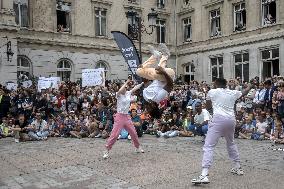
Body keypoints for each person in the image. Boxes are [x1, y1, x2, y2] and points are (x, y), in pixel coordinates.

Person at [192, 78, 254, 184]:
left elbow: (207, 106)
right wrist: (250, 85)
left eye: (214, 83)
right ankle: (238, 167)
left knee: (209, 146)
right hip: (231, 120)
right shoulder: (232, 92)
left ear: (216, 84)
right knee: (231, 143)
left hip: (218, 119)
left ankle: (204, 174)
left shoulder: (212, 91)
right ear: (225, 84)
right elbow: (244, 92)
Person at [103, 80, 144, 159]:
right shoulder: (118, 95)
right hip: (119, 116)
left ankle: (137, 147)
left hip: (127, 116)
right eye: (124, 87)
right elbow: (120, 90)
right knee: (115, 135)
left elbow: (135, 88)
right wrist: (126, 82)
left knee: (134, 133)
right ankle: (107, 150)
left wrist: (142, 83)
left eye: (126, 88)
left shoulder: (128, 93)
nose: (125, 88)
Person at [136, 44, 175, 119]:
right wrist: (163, 72)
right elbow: (170, 84)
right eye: (149, 109)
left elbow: (146, 81)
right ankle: (165, 55)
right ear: (154, 107)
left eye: (147, 109)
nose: (146, 108)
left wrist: (142, 68)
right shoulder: (158, 98)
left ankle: (155, 56)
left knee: (138, 71)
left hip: (157, 76)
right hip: (168, 75)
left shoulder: (145, 96)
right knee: (158, 70)